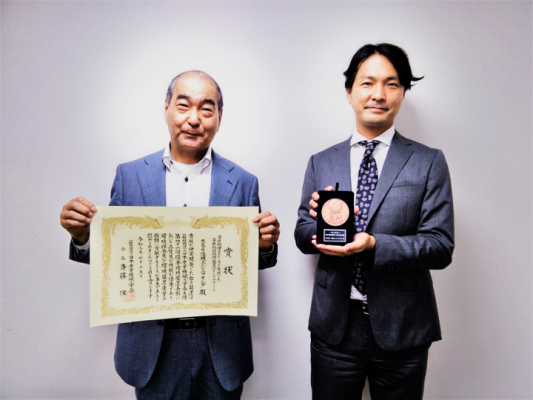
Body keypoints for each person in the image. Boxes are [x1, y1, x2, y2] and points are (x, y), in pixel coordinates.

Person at [60, 70, 280, 399]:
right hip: (153, 344)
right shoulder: (130, 176)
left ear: (220, 117)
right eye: (183, 105)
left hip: (220, 344)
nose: (194, 119)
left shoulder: (243, 181)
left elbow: (253, 263)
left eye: (206, 109)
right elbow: (115, 257)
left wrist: (264, 246)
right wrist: (82, 237)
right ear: (166, 108)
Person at [294, 43, 454, 399]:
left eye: (391, 84)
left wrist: (374, 245)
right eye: (367, 83)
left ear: (402, 93)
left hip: (404, 325)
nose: (378, 94)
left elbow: (440, 246)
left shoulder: (428, 161)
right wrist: (320, 228)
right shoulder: (321, 161)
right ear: (349, 92)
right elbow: (302, 233)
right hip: (334, 327)